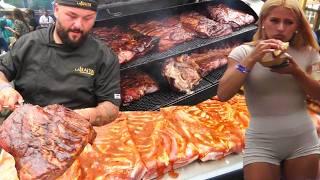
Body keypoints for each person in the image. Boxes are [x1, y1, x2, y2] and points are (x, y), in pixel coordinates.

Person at [217, 0, 320, 180]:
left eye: (289, 22)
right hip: (261, 141)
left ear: (297, 26)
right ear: (263, 21)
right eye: (274, 20)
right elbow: (223, 94)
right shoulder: (242, 52)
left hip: (303, 138)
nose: (281, 28)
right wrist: (251, 60)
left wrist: (297, 72)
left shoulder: (309, 52)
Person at [0, 0, 121, 126]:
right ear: (56, 10)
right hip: (26, 127)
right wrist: (4, 88)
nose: (78, 25)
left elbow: (111, 107)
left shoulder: (104, 56)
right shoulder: (28, 43)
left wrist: (74, 117)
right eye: (72, 16)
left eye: (88, 18)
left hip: (75, 133)